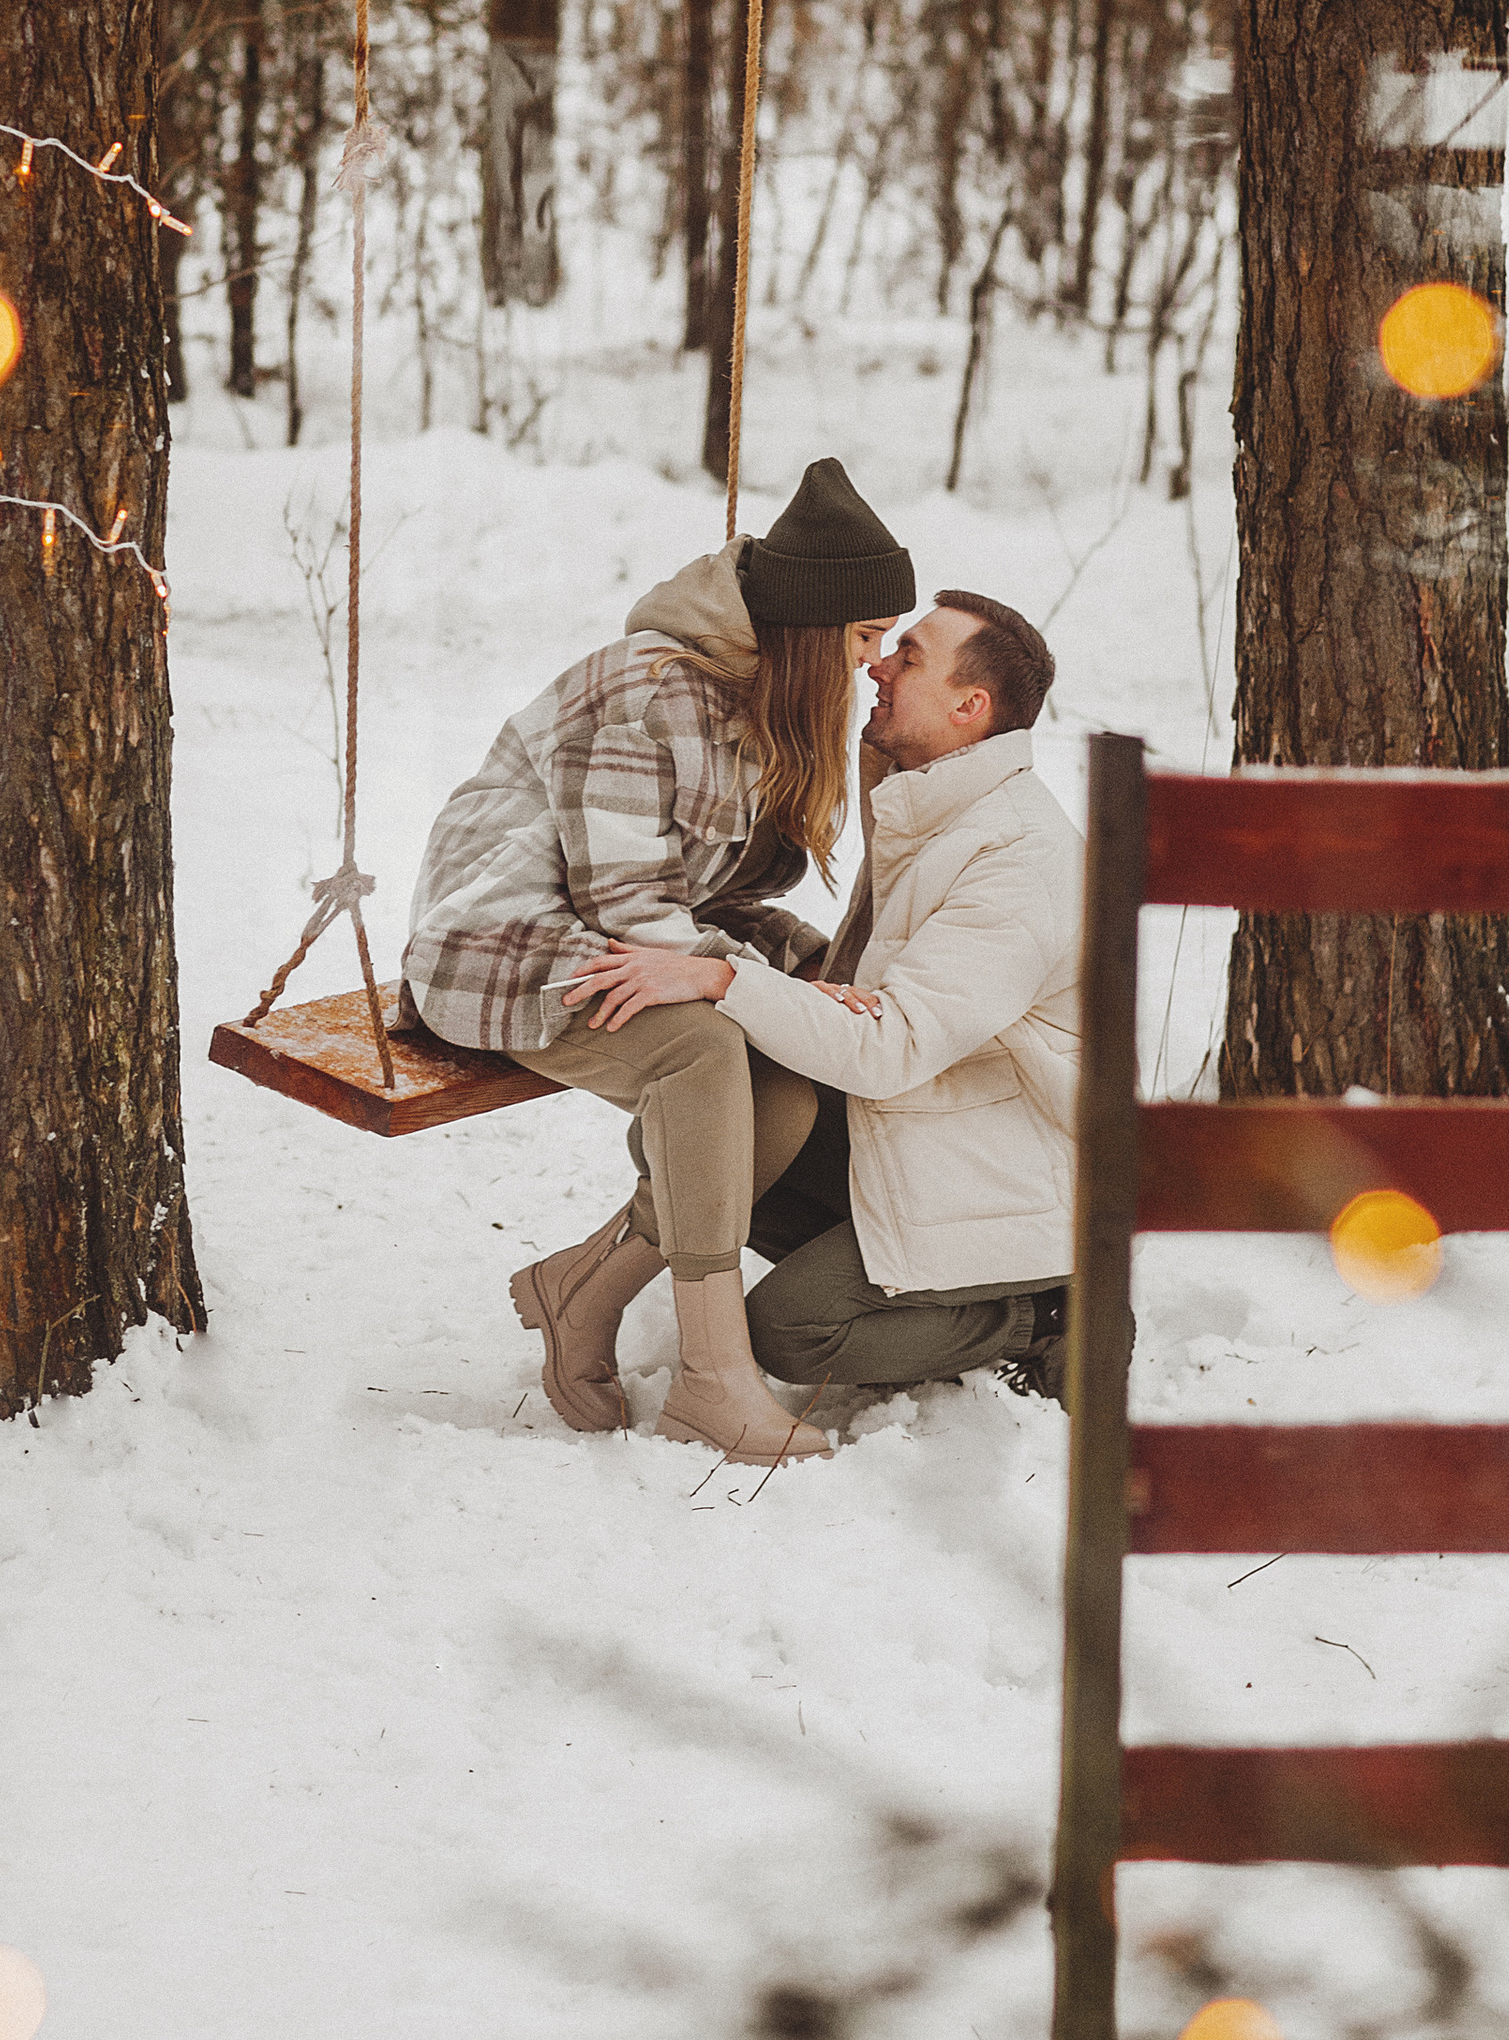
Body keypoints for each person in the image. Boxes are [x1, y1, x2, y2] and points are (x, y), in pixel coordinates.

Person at [402, 461, 915, 1465]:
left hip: (594, 941)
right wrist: (752, 984)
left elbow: (708, 899)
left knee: (784, 1100)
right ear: (813, 630)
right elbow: (630, 905)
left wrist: (804, 971)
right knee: (701, 1057)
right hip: (494, 943)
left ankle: (579, 1295)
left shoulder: (747, 701)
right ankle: (711, 1382)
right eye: (862, 638)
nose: (871, 663)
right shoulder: (647, 694)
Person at [565, 592, 1081, 1414]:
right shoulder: (937, 804)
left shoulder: (1019, 858)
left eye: (907, 657)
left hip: (1011, 1168)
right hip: (934, 1119)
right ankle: (914, 1287)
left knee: (794, 1331)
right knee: (720, 1142)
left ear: (969, 707)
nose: (876, 665)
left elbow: (893, 1045)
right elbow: (884, 990)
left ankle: (1040, 1317)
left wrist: (723, 977)